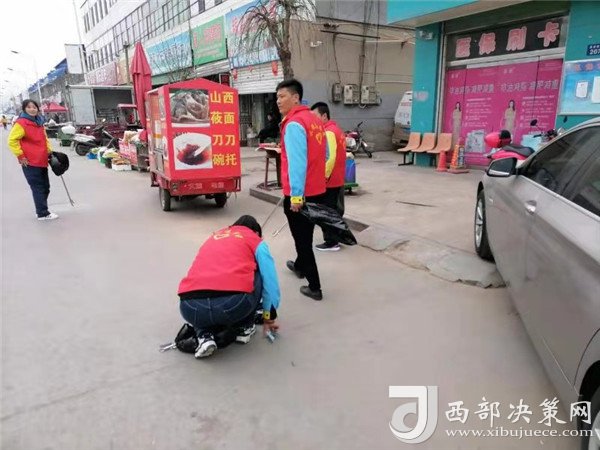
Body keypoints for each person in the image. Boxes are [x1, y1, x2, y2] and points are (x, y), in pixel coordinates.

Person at [178, 215, 281, 359]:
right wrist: (269, 316)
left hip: (189, 306)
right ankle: (244, 327)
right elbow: (270, 280)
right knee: (257, 272)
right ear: (256, 232)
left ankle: (204, 336)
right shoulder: (255, 240)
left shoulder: (213, 237)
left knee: (202, 296)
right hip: (233, 305)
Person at [276, 78, 327, 301]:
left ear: (295, 98)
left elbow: (297, 163)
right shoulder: (315, 121)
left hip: (300, 195)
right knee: (305, 234)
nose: (278, 101)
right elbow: (324, 155)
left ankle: (314, 287)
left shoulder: (294, 124)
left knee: (302, 240)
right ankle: (299, 266)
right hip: (317, 191)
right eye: (277, 97)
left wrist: (296, 196)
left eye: (282, 96)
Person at [8, 99, 58, 221]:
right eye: (29, 107)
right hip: (30, 161)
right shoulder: (21, 123)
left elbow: (44, 138)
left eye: (34, 107)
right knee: (38, 187)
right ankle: (42, 213)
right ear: (24, 109)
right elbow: (12, 141)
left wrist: (49, 151)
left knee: (45, 187)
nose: (32, 109)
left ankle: (41, 209)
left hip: (42, 160)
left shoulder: (39, 122)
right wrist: (20, 156)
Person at [310, 102, 346, 252]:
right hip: (338, 178)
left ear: (324, 116)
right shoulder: (337, 130)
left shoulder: (329, 132)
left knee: (328, 211)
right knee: (335, 210)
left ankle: (331, 242)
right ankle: (337, 238)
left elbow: (330, 157)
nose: (313, 120)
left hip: (330, 181)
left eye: (315, 116)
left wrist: (323, 178)